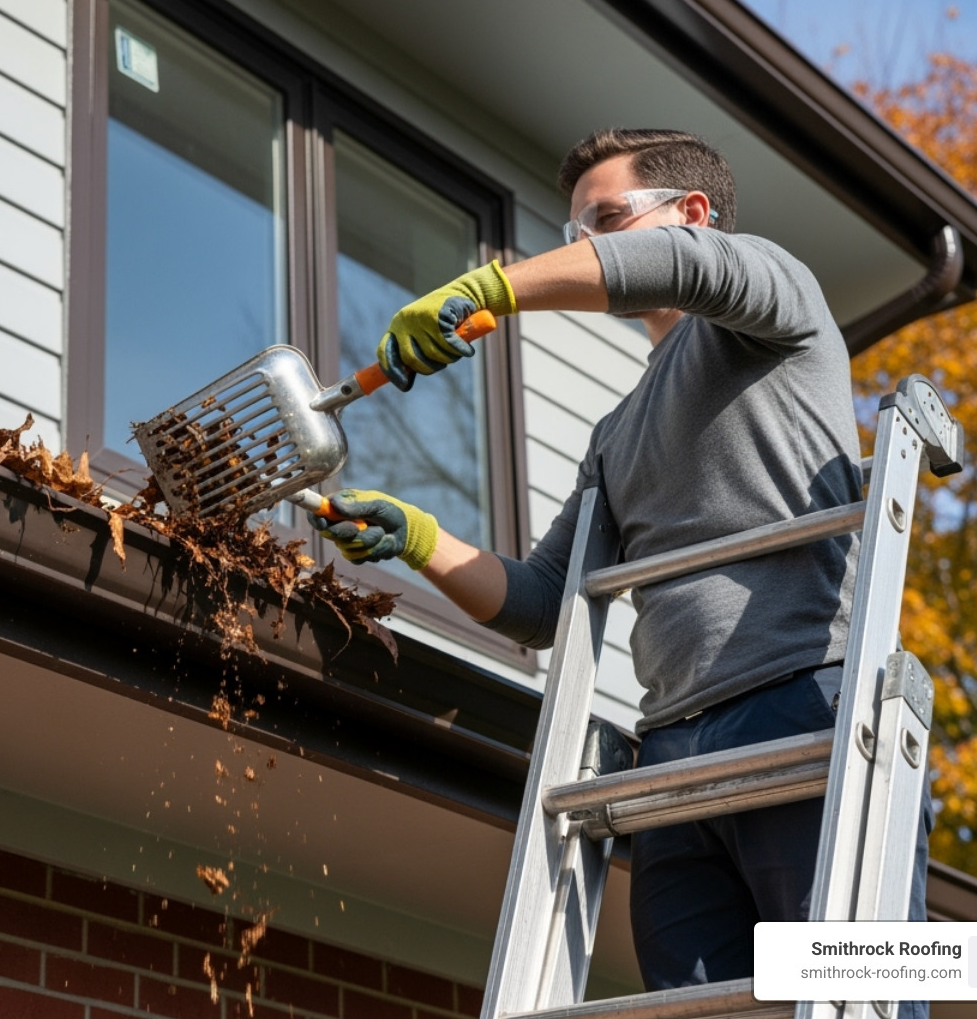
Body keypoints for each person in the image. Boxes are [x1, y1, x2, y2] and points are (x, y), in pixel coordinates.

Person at [312, 129, 929, 1015]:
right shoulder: (616, 433)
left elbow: (688, 271)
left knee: (858, 996)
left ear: (691, 216)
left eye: (604, 224)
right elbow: (539, 604)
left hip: (806, 706)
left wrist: (491, 287)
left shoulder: (774, 294)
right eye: (576, 232)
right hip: (670, 753)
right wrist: (417, 538)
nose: (584, 250)